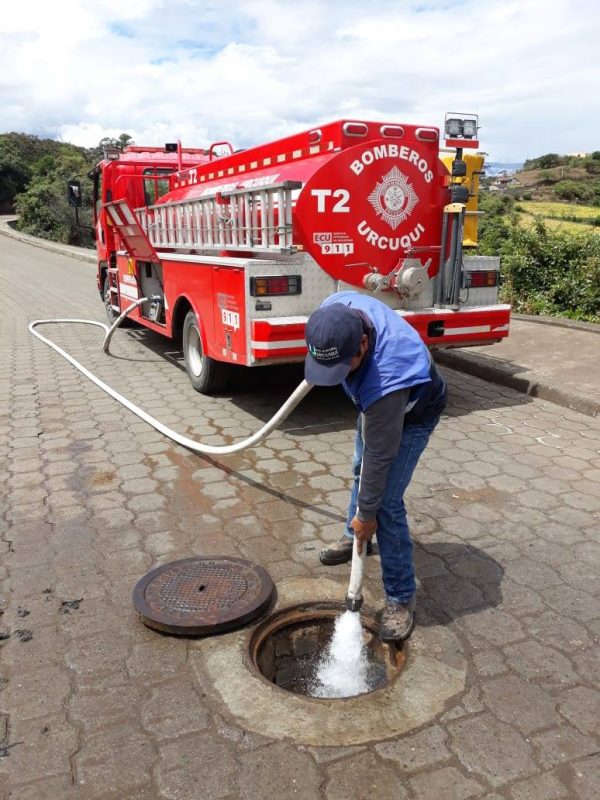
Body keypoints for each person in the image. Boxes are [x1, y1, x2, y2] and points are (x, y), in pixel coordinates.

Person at [304, 291, 447, 641]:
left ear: (364, 344)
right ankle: (355, 538)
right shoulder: (334, 312)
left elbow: (379, 459)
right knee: (359, 468)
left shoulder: (387, 379)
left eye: (341, 368)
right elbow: (367, 463)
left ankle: (400, 598)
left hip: (412, 415)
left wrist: (366, 515)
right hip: (373, 405)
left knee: (384, 503)